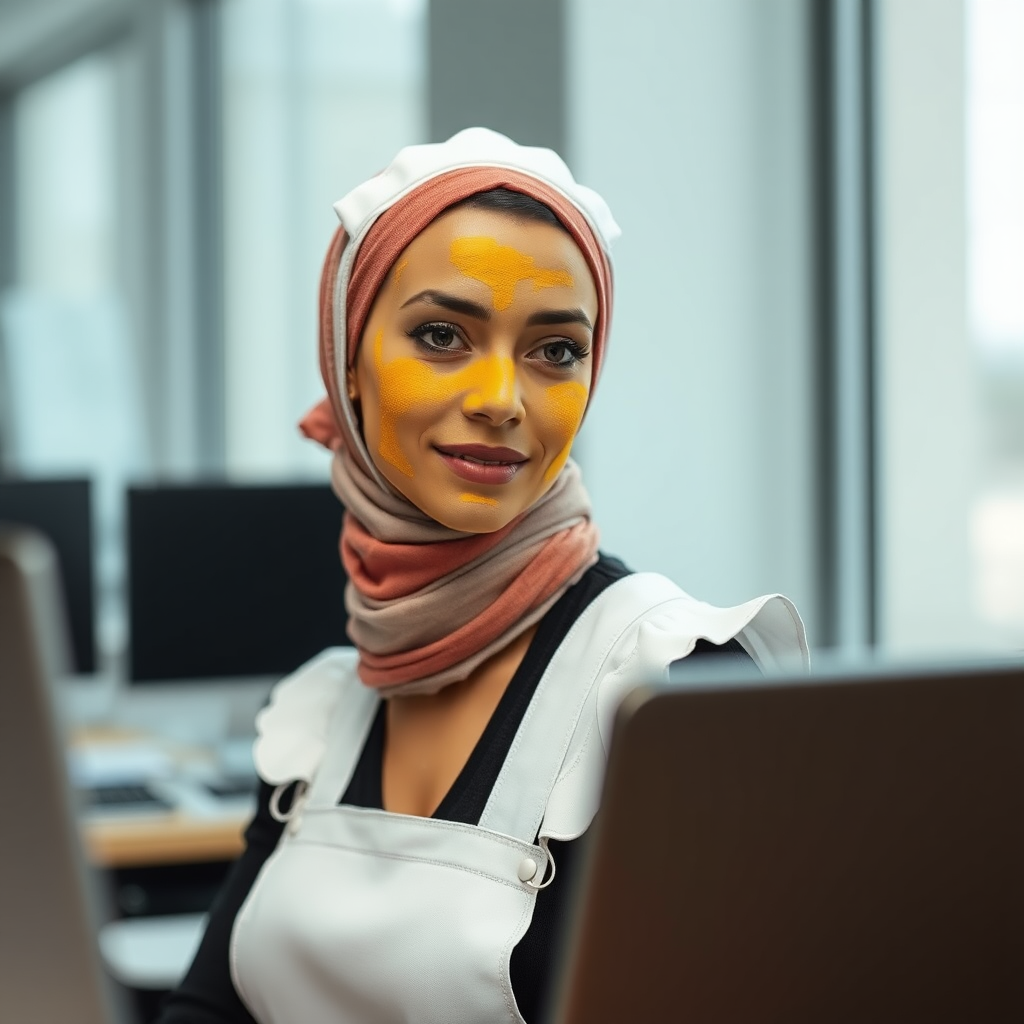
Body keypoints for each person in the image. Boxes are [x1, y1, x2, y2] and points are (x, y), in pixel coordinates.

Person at [157, 127, 807, 1024]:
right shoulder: (333, 705)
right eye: (440, 334)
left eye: (556, 351)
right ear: (348, 361)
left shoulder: (671, 679)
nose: (503, 396)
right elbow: (210, 1007)